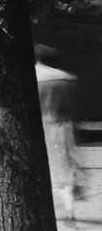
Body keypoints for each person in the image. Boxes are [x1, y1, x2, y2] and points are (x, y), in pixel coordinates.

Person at [37, 45, 84, 225]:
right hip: (65, 126)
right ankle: (69, 208)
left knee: (46, 168)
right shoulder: (67, 78)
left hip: (43, 127)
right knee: (66, 166)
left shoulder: (35, 77)